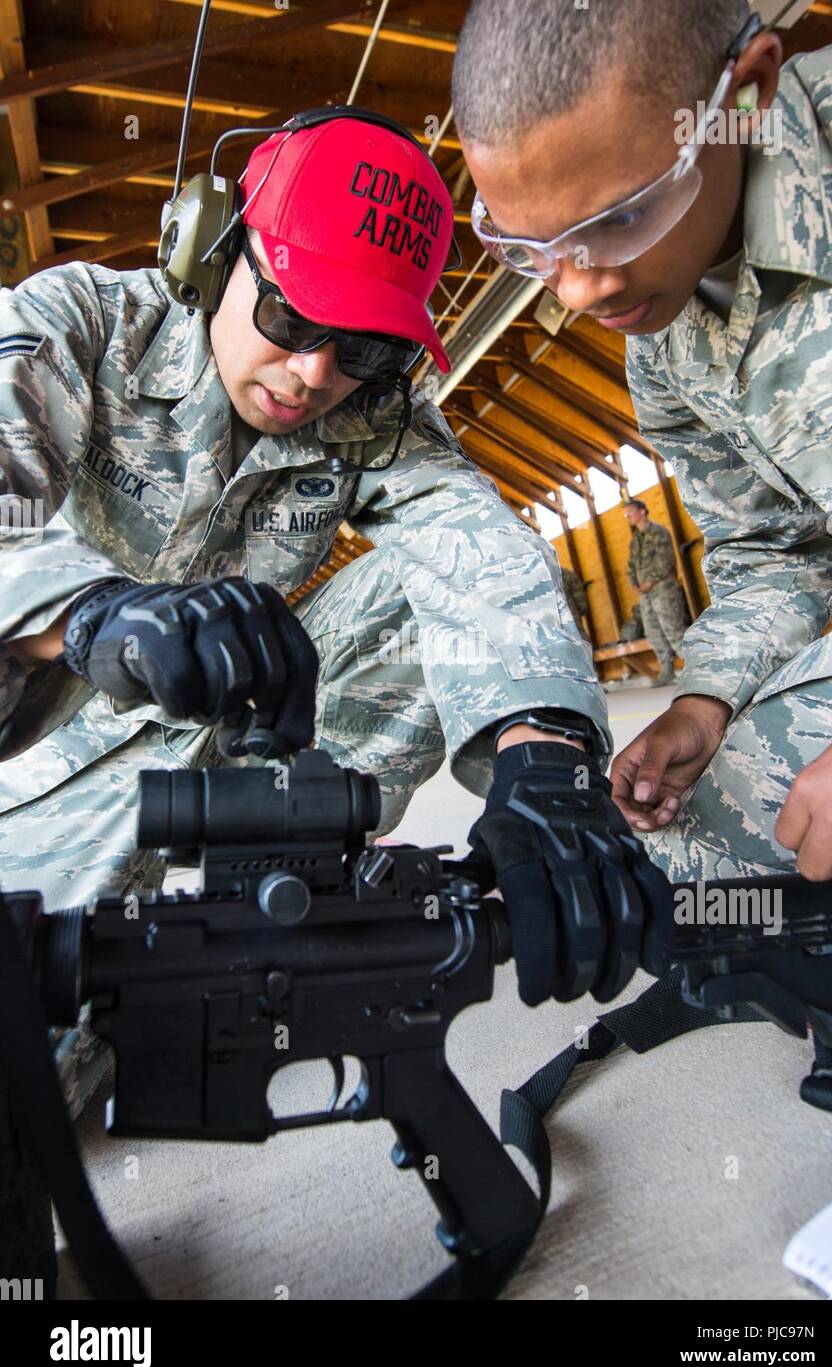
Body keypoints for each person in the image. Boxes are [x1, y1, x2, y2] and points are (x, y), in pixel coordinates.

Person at [0, 105, 658, 1061]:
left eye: (363, 348)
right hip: (38, 765)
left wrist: (544, 755)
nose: (313, 373)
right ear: (213, 249)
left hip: (220, 761)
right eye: (291, 313)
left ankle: (271, 915)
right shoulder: (81, 326)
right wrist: (93, 616)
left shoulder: (373, 414)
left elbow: (478, 550)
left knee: (419, 596)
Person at [454, 0, 832, 887]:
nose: (578, 289)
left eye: (618, 218)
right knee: (695, 836)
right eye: (532, 249)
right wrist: (702, 702)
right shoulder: (669, 344)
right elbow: (778, 550)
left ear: (745, 92)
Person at [623, 499, 689, 686]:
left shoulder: (658, 532)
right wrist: (634, 584)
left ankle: (694, 668)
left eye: (631, 513)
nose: (628, 517)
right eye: (626, 515)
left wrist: (650, 580)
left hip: (663, 588)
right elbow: (631, 566)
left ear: (642, 511)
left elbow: (665, 560)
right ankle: (667, 670)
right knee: (653, 631)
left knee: (673, 627)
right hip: (645, 594)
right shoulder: (635, 539)